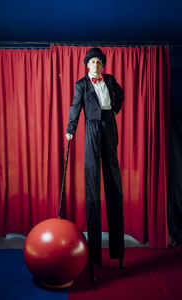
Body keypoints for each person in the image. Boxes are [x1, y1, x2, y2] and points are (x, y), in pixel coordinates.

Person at [66, 48, 125, 282]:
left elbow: (119, 95)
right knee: (93, 190)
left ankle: (118, 254)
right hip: (90, 128)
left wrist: (116, 109)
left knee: (114, 185)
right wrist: (71, 129)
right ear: (86, 64)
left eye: (99, 62)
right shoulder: (80, 84)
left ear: (103, 65)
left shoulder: (110, 80)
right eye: (92, 62)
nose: (96, 65)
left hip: (109, 127)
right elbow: (74, 108)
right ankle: (93, 260)